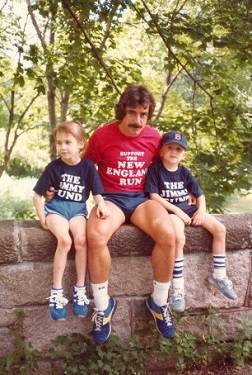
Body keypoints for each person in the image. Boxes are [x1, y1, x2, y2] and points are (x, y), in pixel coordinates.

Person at [83, 84, 177, 344]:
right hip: (110, 199)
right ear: (122, 111)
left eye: (143, 114)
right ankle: (103, 306)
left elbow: (167, 169)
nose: (138, 120)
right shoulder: (102, 136)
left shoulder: (154, 138)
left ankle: (158, 303)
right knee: (96, 235)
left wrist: (188, 192)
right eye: (133, 113)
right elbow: (86, 167)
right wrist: (61, 192)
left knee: (168, 233)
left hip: (141, 199)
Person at [145, 130, 237, 313]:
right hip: (171, 211)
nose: (173, 151)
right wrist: (177, 210)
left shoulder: (184, 172)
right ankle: (178, 288)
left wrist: (201, 211)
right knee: (178, 238)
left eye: (178, 149)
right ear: (161, 151)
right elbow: (153, 195)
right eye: (169, 147)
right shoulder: (155, 169)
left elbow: (200, 195)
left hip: (190, 210)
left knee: (220, 229)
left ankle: (219, 275)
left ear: (184, 154)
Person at [33, 120, 110, 321]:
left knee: (81, 241)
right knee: (65, 241)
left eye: (67, 142)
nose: (63, 147)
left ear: (80, 144)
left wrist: (101, 204)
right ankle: (57, 291)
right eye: (59, 143)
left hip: (77, 211)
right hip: (56, 210)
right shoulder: (54, 167)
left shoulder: (87, 167)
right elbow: (37, 196)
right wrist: (42, 217)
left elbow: (97, 191)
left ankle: (80, 289)